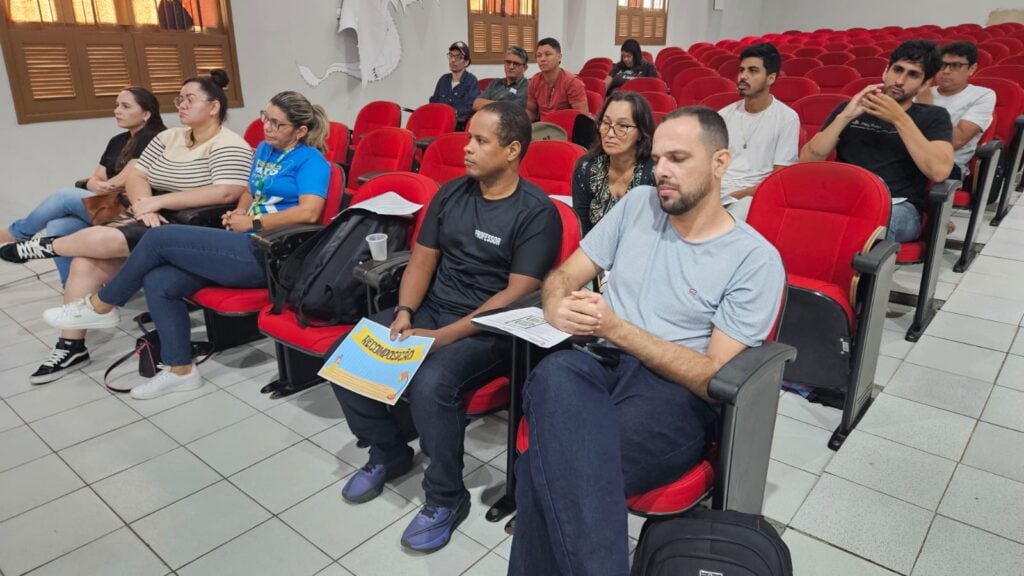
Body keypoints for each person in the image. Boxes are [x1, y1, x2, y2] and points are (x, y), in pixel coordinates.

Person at [508, 106, 785, 575]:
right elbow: (566, 274)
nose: (662, 172)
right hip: (596, 362)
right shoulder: (638, 205)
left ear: (720, 163)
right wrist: (554, 304)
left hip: (671, 391)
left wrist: (616, 328)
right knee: (553, 373)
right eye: (657, 159)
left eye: (678, 159)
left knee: (548, 468)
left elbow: (712, 377)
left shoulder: (753, 259)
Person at [332, 101, 561, 553]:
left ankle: (445, 497)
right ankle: (389, 451)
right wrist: (404, 313)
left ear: (513, 149)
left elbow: (516, 293)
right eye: (468, 138)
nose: (467, 148)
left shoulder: (537, 213)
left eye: (480, 141)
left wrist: (444, 338)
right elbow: (422, 259)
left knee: (432, 385)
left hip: (491, 329)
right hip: (431, 310)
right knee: (346, 353)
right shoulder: (452, 193)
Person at [40, 91, 331, 400]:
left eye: (277, 123)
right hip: (240, 241)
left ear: (300, 130)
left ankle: (101, 305)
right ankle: (180, 370)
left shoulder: (312, 161)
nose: (267, 127)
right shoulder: (265, 149)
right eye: (265, 117)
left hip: (268, 253)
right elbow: (250, 188)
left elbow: (309, 212)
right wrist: (242, 211)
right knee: (160, 280)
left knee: (159, 237)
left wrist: (253, 224)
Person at [1, 70, 252, 385]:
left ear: (214, 107)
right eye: (179, 99)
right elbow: (138, 175)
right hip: (151, 216)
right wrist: (144, 206)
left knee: (93, 231)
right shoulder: (168, 137)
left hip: (195, 226)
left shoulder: (229, 144)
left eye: (190, 99)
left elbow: (226, 192)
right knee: (85, 263)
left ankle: (43, 247)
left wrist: (160, 203)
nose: (182, 105)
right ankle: (71, 345)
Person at [0, 88, 166, 284]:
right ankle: (74, 289)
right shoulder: (118, 140)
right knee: (58, 226)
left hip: (131, 210)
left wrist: (99, 185)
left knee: (64, 196)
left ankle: (17, 234)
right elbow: (95, 178)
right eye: (116, 105)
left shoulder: (155, 138)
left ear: (146, 114)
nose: (116, 111)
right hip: (108, 204)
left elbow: (122, 181)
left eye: (125, 106)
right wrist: (95, 184)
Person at [800, 40, 953, 243]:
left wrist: (899, 118)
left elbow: (939, 171)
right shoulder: (849, 109)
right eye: (897, 70)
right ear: (885, 71)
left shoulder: (934, 116)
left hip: (898, 207)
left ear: (924, 84)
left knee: (867, 225)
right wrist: (844, 117)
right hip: (844, 199)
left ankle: (848, 274)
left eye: (913, 75)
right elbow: (807, 160)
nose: (899, 81)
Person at [718, 43, 800, 220]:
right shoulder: (724, 115)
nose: (743, 76)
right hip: (716, 191)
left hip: (752, 196)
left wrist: (732, 197)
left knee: (727, 222)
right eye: (741, 70)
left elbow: (779, 179)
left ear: (771, 78)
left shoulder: (787, 118)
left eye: (753, 71)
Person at [572, 91, 656, 236]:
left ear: (641, 133)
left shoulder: (656, 174)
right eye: (606, 123)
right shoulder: (586, 170)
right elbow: (583, 233)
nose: (610, 133)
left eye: (622, 126)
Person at [916, 41, 995, 181]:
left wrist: (925, 105)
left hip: (948, 165)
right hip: (910, 156)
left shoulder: (983, 95)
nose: (945, 71)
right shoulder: (922, 92)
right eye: (942, 65)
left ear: (972, 69)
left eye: (955, 66)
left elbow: (956, 140)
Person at [527, 37, 588, 121]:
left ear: (559, 57)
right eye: (539, 55)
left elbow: (582, 119)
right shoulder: (535, 80)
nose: (542, 59)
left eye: (548, 54)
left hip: (564, 129)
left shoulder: (572, 82)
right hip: (541, 129)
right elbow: (531, 111)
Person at [429, 41, 480, 128]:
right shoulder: (443, 80)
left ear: (466, 62)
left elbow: (470, 108)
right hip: (440, 125)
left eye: (458, 57)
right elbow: (434, 102)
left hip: (459, 127)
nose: (453, 60)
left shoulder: (471, 81)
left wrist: (450, 113)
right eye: (451, 56)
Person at [472, 45, 529, 111]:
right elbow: (476, 104)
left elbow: (513, 110)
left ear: (525, 68)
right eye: (508, 62)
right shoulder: (495, 83)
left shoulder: (527, 86)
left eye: (516, 64)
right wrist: (503, 105)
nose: (511, 67)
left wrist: (488, 104)